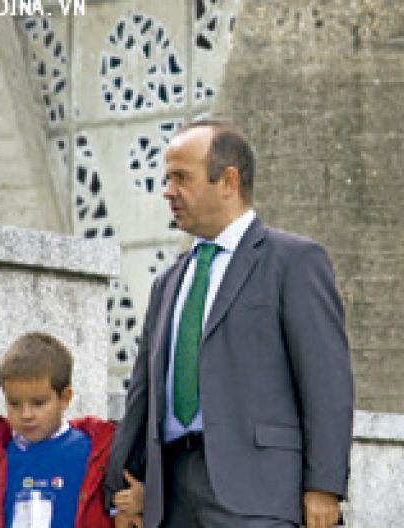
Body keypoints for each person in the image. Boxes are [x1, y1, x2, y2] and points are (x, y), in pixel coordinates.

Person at [104, 119, 354, 528]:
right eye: (167, 179)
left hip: (260, 494)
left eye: (181, 178)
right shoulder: (167, 283)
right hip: (169, 500)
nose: (168, 192)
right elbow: (143, 395)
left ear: (228, 181)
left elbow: (327, 382)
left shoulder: (293, 262)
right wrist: (120, 488)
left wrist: (324, 486)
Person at [0, 332, 116, 528]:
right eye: (14, 403)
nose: (26, 414)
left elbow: (120, 510)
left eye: (38, 403)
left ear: (65, 398)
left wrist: (138, 499)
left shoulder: (95, 454)